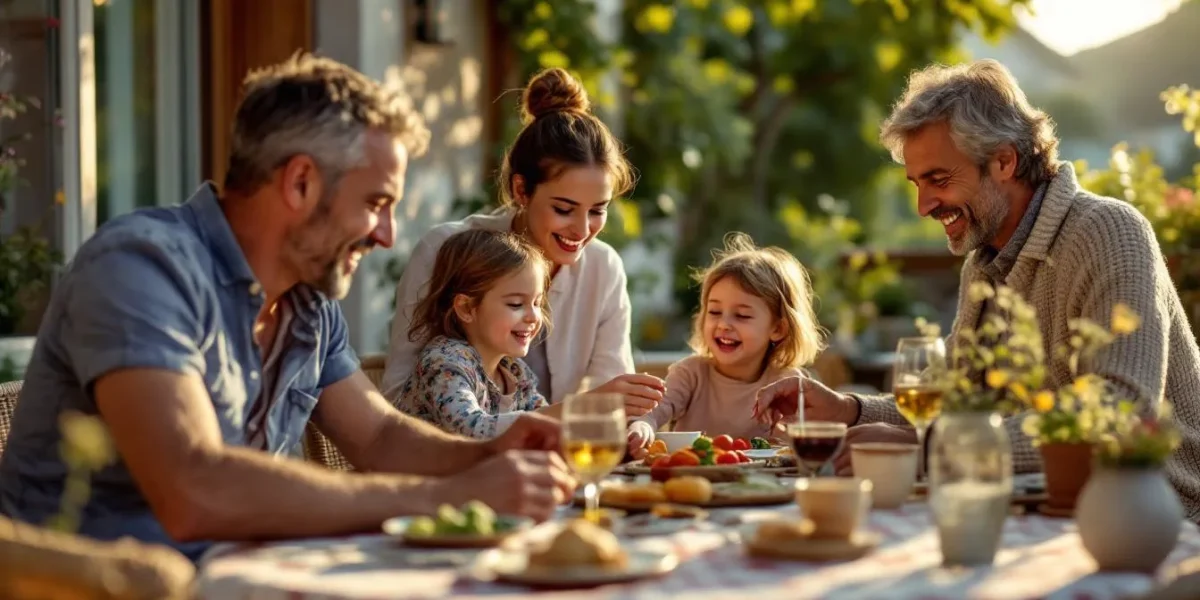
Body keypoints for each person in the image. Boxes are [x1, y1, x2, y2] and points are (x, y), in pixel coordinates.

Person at [0, 54, 576, 562]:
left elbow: (379, 438)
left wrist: (488, 452)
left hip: (248, 576)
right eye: (376, 203)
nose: (386, 235)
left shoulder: (307, 300)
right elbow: (195, 488)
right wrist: (445, 495)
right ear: (300, 183)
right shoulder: (141, 269)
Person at [753, 59, 1200, 520]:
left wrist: (930, 447)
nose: (924, 205)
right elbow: (952, 399)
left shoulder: (1109, 231)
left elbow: (1120, 408)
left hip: (1158, 518)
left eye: (939, 179)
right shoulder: (984, 263)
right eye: (917, 183)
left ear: (1004, 161)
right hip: (1045, 510)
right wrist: (849, 410)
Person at [381, 67, 665, 416]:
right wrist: (581, 409)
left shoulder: (603, 267)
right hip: (448, 448)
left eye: (597, 210)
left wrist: (635, 422)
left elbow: (614, 406)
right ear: (521, 190)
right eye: (564, 209)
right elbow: (396, 401)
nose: (582, 230)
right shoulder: (443, 250)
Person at [626, 233, 825, 451]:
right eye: (714, 311)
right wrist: (643, 424)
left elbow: (806, 441)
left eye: (741, 315)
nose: (723, 324)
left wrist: (791, 430)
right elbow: (658, 409)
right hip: (692, 471)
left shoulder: (786, 383)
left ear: (778, 329)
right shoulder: (690, 373)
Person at [398, 229, 563, 438]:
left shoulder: (515, 373)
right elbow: (473, 430)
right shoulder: (444, 362)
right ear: (467, 308)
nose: (533, 317)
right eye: (516, 304)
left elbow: (547, 429)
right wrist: (573, 410)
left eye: (537, 303)